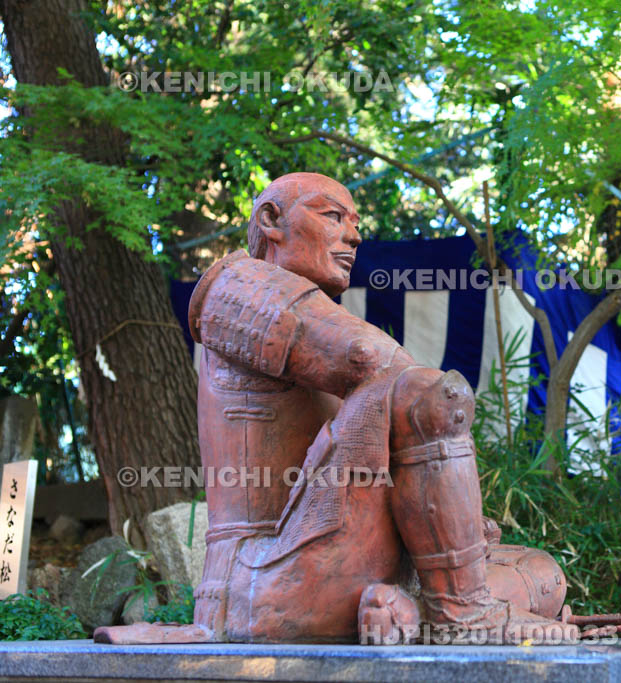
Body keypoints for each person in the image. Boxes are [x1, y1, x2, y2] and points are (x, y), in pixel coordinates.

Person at [185, 172, 576, 645]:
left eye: (354, 223)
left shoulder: (306, 312)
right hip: (262, 576)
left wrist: (455, 527)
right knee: (424, 393)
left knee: (543, 572)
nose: (354, 236)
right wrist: (434, 413)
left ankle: (407, 611)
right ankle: (462, 614)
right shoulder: (234, 288)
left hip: (336, 563)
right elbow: (367, 358)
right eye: (333, 216)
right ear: (271, 220)